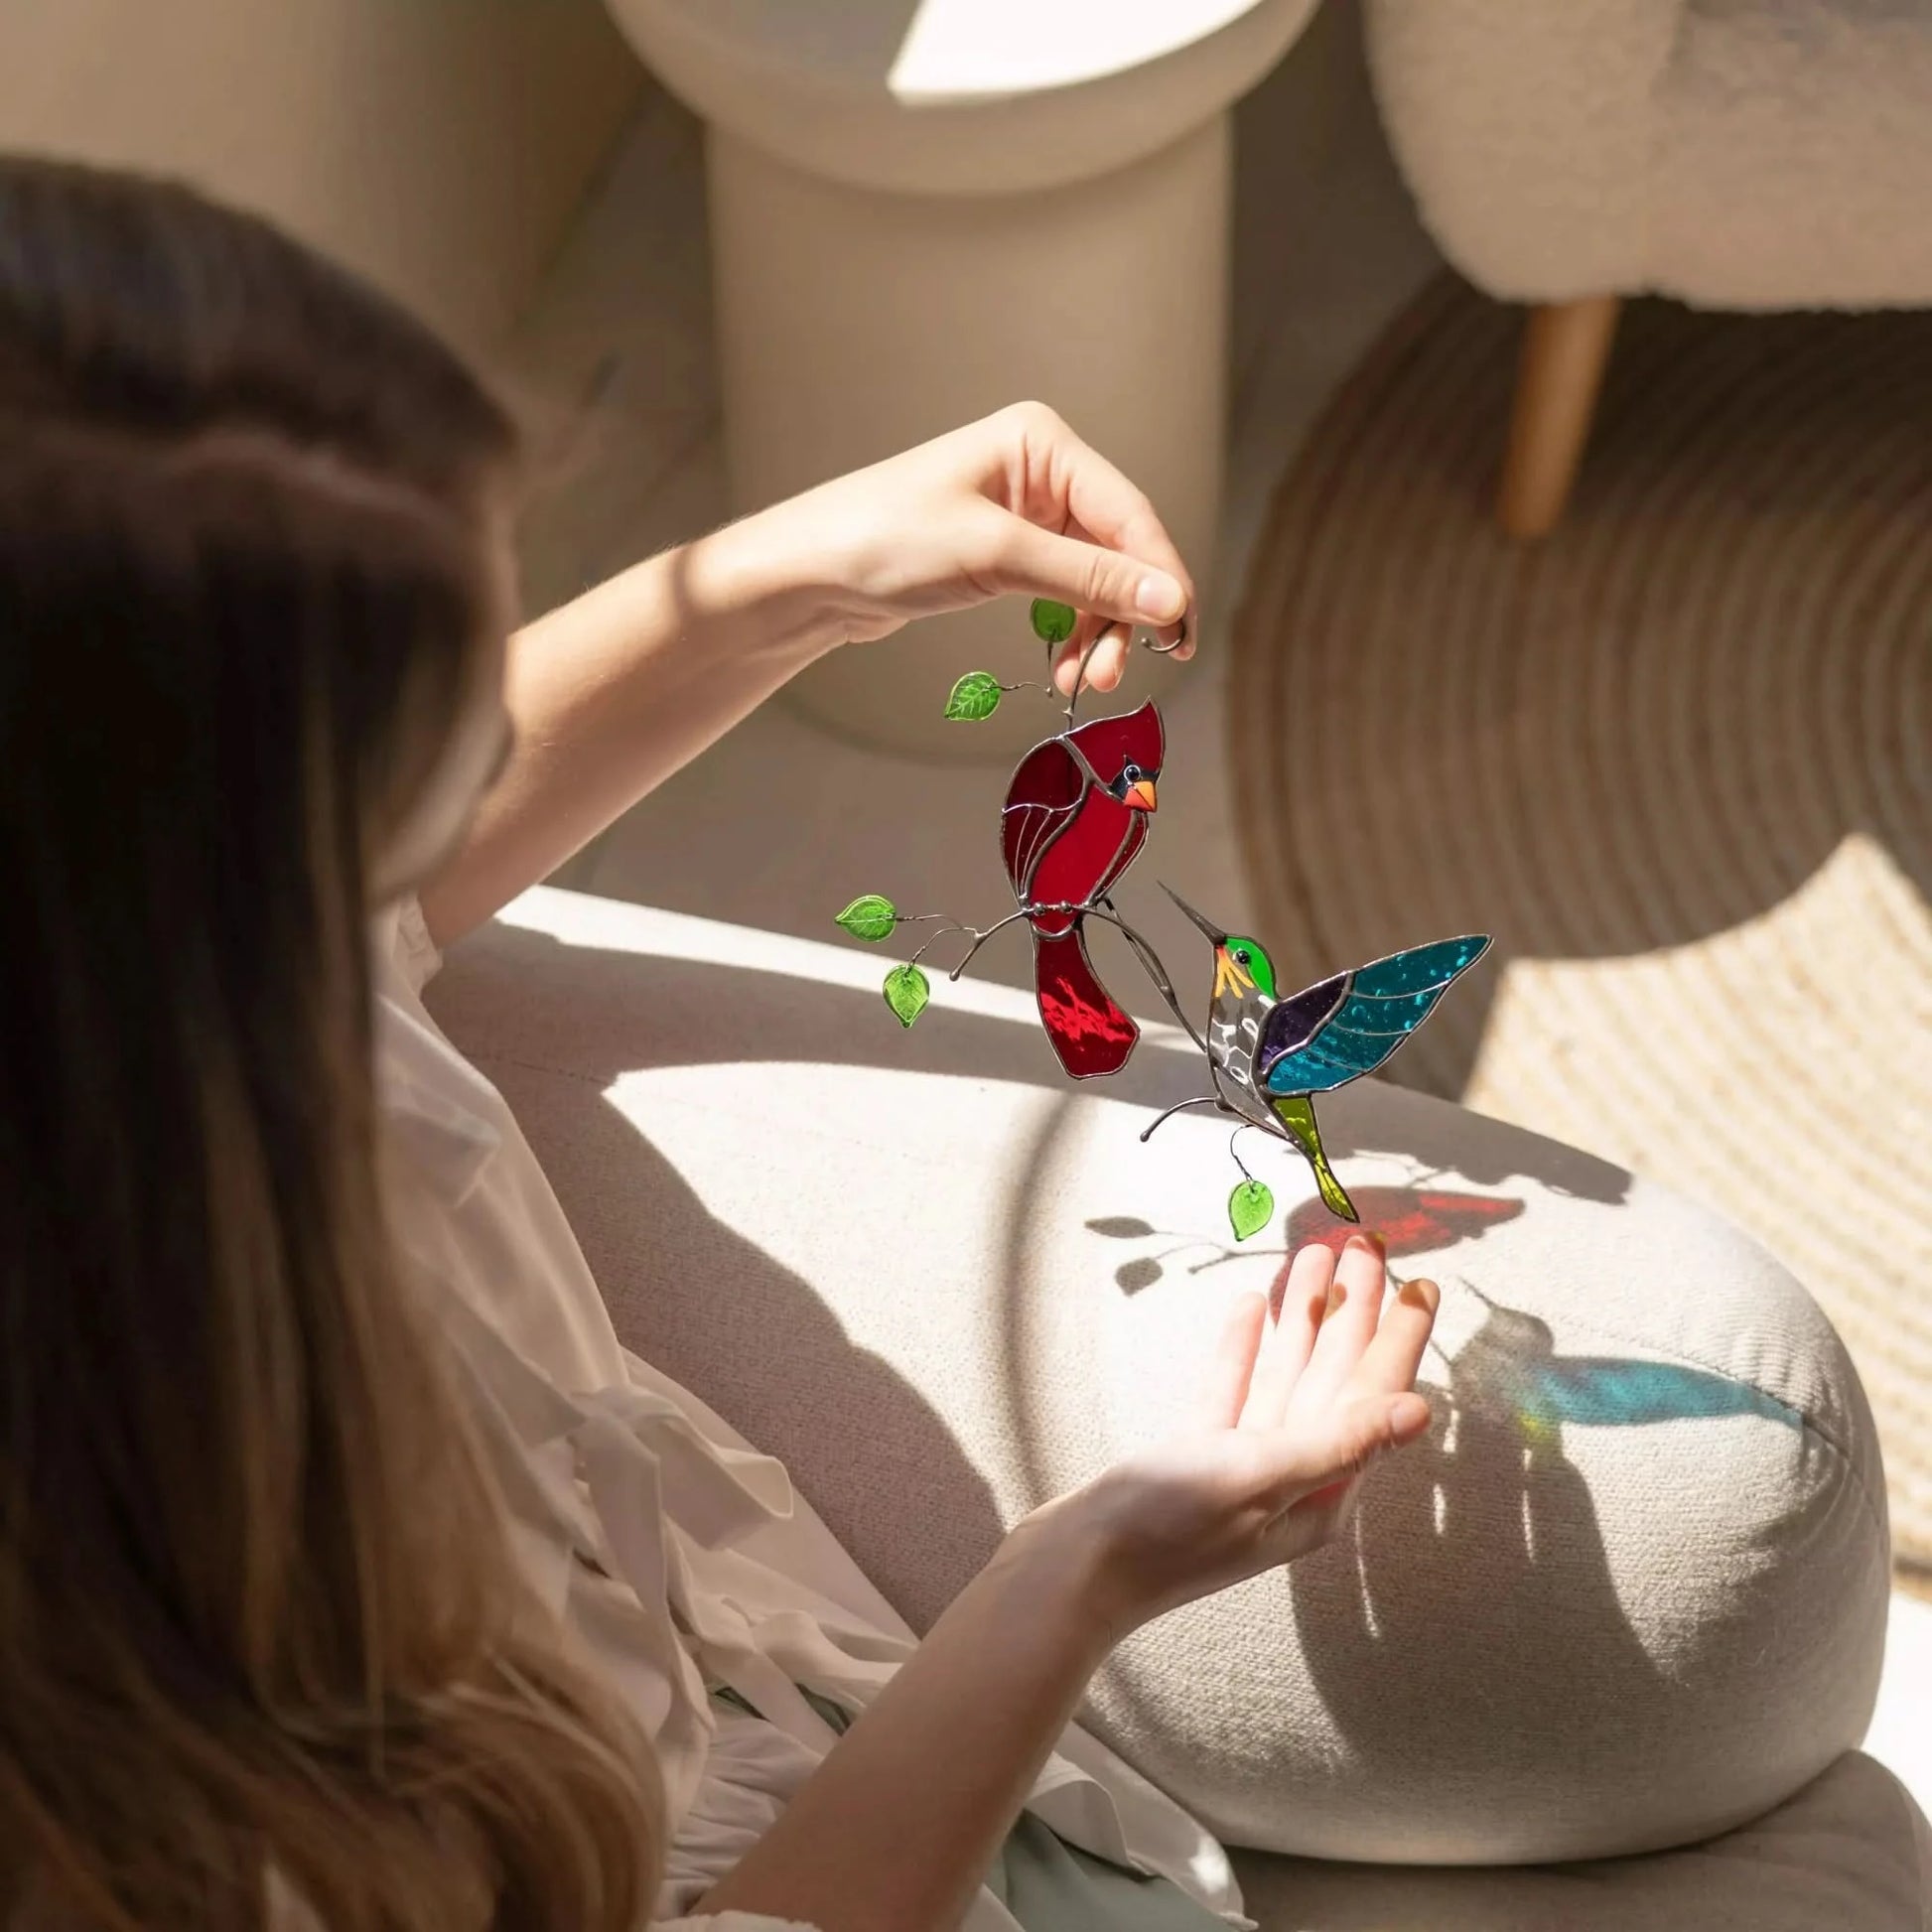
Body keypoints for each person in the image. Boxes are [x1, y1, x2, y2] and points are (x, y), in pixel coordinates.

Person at [0, 156, 1439, 1932]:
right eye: (391, 792)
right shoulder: (138, 1773)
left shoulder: (146, 998)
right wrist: (1077, 1571)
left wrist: (794, 576)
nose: (456, 799)